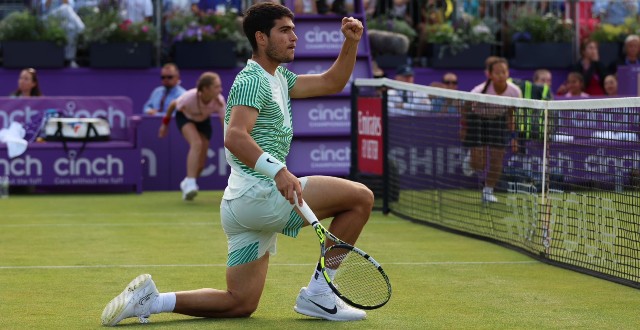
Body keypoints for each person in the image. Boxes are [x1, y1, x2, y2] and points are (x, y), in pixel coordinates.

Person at [101, 3, 372, 325]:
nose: (294, 37)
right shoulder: (252, 80)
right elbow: (234, 136)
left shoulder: (280, 78)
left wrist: (351, 43)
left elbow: (332, 82)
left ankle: (152, 300)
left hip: (241, 208)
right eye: (284, 30)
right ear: (261, 38)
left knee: (239, 303)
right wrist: (279, 170)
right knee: (361, 198)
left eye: (293, 30)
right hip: (261, 194)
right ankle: (319, 293)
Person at [158, 72, 225, 201]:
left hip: (203, 121)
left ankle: (187, 182)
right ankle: (190, 184)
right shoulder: (189, 97)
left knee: (200, 166)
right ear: (206, 89)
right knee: (196, 143)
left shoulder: (219, 101)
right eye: (216, 87)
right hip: (185, 118)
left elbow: (225, 125)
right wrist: (164, 125)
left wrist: (229, 140)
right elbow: (172, 105)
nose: (220, 90)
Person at [462, 57, 521, 203]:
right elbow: (465, 108)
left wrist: (514, 137)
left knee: (497, 158)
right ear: (489, 74)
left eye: (504, 72)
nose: (501, 75)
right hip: (478, 120)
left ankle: (488, 191)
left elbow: (511, 115)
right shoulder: (479, 91)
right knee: (478, 165)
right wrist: (464, 127)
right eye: (497, 72)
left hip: (498, 121)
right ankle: (471, 158)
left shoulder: (514, 91)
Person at [42, 0, 85, 68]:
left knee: (71, 29)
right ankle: (82, 28)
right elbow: (44, 8)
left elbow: (72, 7)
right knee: (66, 8)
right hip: (48, 20)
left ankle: (69, 59)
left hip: (64, 22)